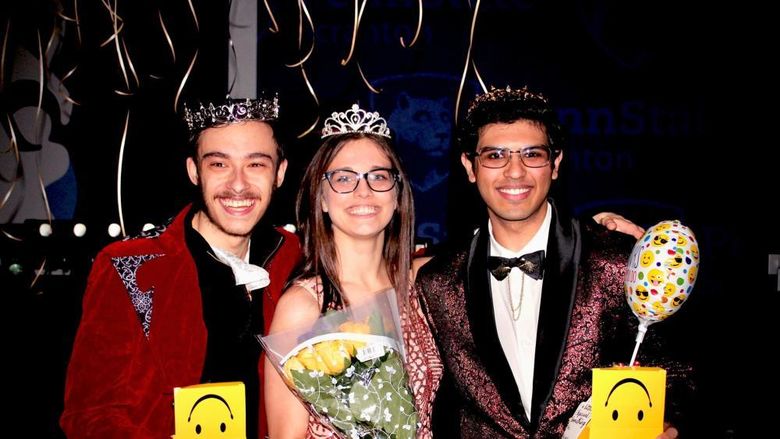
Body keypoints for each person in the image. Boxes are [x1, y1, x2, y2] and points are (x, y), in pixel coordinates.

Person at [415, 86, 693, 438]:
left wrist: (668, 424)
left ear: (556, 164)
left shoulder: (615, 261)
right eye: (495, 156)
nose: (515, 172)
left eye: (532, 154)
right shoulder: (436, 281)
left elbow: (678, 373)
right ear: (470, 167)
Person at [60, 96, 301, 439]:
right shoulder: (130, 266)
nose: (238, 184)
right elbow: (90, 414)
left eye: (256, 165)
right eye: (219, 164)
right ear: (193, 170)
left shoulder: (295, 256)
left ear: (280, 173)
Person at [264, 104, 442, 438]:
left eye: (378, 176)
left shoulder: (421, 288)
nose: (364, 191)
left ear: (398, 195)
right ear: (322, 198)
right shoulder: (304, 307)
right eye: (344, 178)